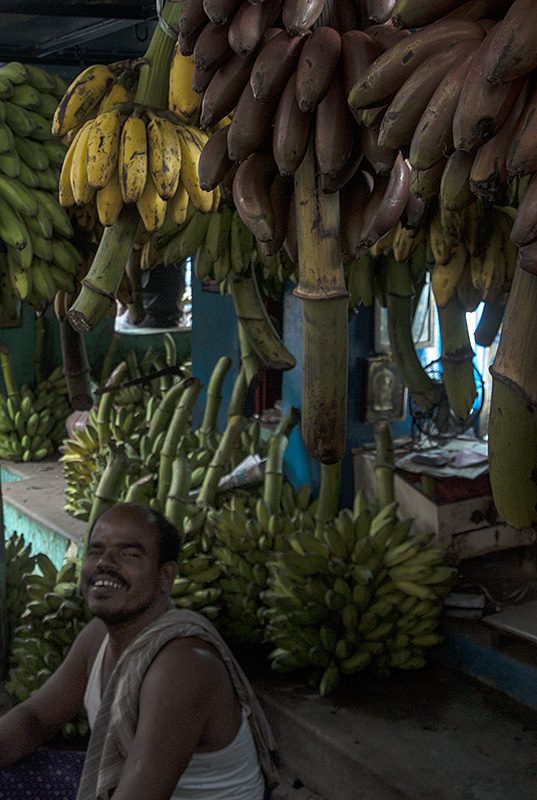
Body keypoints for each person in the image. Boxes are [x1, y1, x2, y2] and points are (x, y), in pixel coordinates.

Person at [0, 503, 279, 800]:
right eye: (95, 551)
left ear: (165, 577)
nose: (105, 563)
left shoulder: (182, 668)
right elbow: (35, 718)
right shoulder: (98, 636)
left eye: (129, 554)